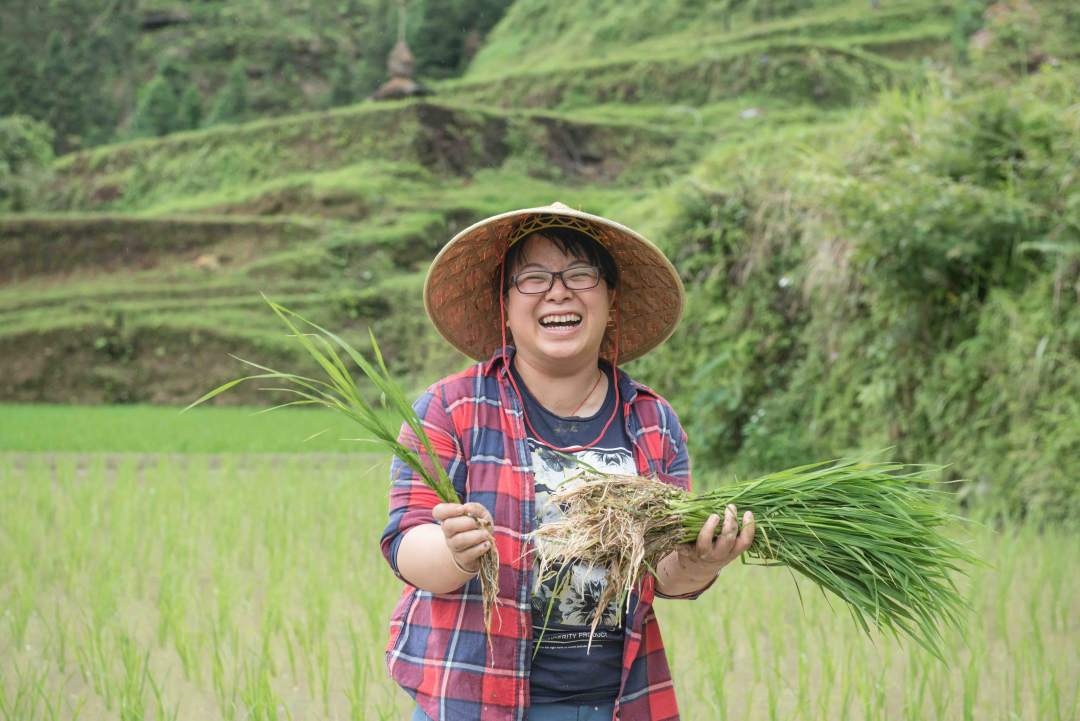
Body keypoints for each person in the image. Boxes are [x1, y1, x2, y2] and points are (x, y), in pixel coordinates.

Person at [380, 203, 755, 721]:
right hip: (471, 702)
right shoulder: (452, 409)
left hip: (614, 703)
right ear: (505, 307)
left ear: (610, 298)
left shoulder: (651, 420)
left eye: (581, 274)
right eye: (533, 279)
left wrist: (701, 560)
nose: (559, 291)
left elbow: (666, 575)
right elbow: (406, 542)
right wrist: (454, 551)